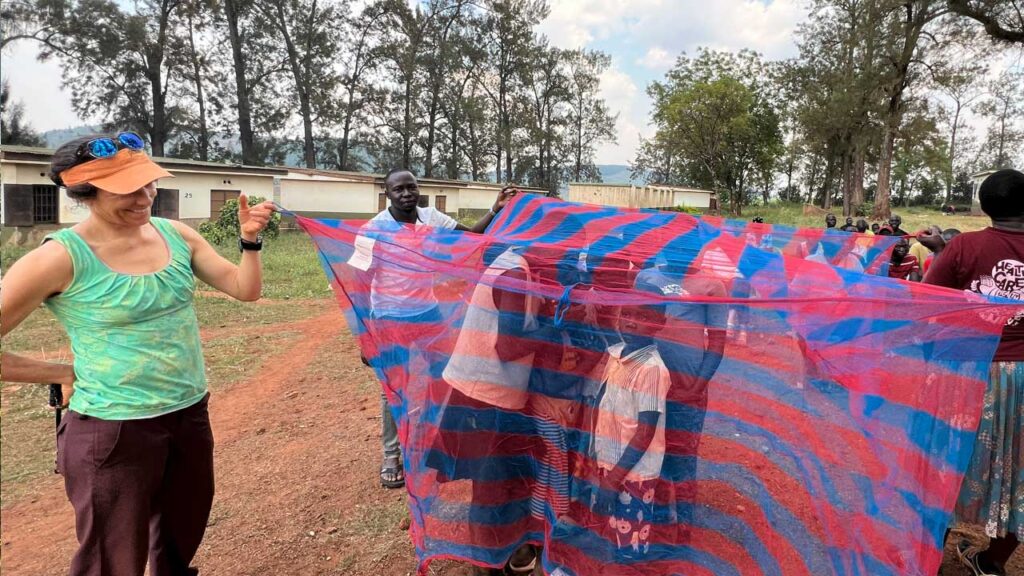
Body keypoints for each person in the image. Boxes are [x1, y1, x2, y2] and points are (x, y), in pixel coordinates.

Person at [0, 132, 276, 576]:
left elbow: (244, 290)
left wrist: (248, 241)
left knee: (178, 543)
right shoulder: (58, 259)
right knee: (113, 562)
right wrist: (61, 370)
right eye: (127, 189)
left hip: (188, 416)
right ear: (83, 193)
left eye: (148, 183)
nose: (145, 196)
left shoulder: (176, 235)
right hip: (113, 431)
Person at [360, 168, 516, 489]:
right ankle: (392, 454)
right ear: (387, 194)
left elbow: (469, 236)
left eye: (411, 188)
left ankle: (432, 441)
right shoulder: (373, 230)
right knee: (394, 387)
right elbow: (360, 284)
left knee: (442, 378)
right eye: (399, 189)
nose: (407, 194)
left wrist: (494, 210)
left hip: (428, 313)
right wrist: (367, 336)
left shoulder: (431, 218)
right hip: (389, 319)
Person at [923, 169, 1024, 576]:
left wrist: (942, 251)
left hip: (972, 374)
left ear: (984, 206)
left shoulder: (964, 247)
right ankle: (992, 562)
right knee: (1019, 472)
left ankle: (929, 558)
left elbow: (928, 303)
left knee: (943, 465)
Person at [586, 293, 672, 562]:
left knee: (629, 541)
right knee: (608, 529)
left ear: (660, 323)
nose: (632, 323)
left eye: (643, 317)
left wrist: (613, 480)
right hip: (608, 461)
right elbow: (603, 404)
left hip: (633, 474)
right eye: (627, 314)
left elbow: (645, 433)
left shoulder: (652, 370)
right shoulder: (615, 355)